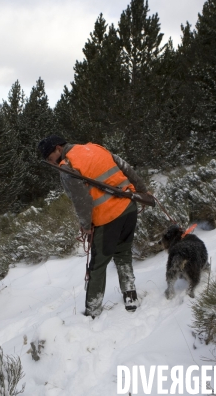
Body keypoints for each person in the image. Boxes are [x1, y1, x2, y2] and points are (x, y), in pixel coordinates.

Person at [38, 135, 148, 318]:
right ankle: (130, 297)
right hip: (129, 208)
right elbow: (125, 167)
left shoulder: (67, 166)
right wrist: (142, 190)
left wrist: (86, 226)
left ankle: (93, 312)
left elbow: (81, 201)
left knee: (97, 266)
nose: (52, 163)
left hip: (107, 218)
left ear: (58, 148)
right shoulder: (94, 147)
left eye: (50, 158)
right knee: (123, 253)